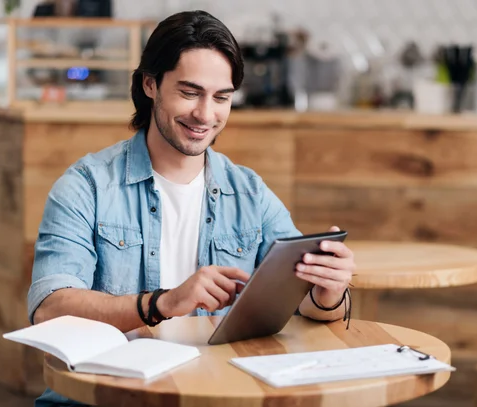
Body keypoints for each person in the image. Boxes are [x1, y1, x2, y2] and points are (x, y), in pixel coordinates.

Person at [28, 10, 356, 406]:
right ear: (150, 84)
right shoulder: (86, 187)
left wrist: (327, 293)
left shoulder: (251, 193)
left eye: (221, 97)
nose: (205, 114)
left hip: (215, 393)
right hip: (105, 398)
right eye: (189, 92)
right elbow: (50, 309)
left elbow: (304, 305)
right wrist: (161, 303)